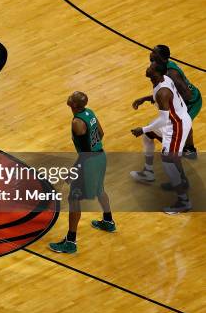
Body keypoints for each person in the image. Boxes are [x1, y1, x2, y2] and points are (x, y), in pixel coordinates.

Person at [49, 92, 115, 254]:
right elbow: (101, 133)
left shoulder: (77, 122)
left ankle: (70, 242)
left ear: (74, 105)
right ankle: (108, 221)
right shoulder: (89, 113)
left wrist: (74, 171)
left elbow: (85, 152)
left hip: (89, 161)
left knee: (74, 199)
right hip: (100, 155)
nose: (69, 97)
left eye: (72, 97)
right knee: (100, 189)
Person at [130, 62, 193, 214]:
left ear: (157, 73)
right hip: (174, 119)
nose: (147, 68)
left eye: (151, 67)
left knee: (168, 161)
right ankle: (148, 172)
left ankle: (183, 201)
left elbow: (164, 119)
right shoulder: (162, 80)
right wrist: (145, 99)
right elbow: (161, 97)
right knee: (149, 135)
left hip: (177, 125)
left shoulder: (162, 92)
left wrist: (142, 129)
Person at [133, 45, 201, 159]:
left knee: (183, 121)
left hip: (191, 100)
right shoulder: (162, 68)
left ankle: (189, 150)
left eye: (154, 52)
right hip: (184, 96)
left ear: (162, 58)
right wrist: (145, 98)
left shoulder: (171, 73)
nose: (151, 53)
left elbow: (186, 94)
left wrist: (176, 106)